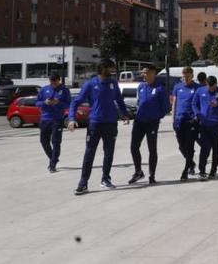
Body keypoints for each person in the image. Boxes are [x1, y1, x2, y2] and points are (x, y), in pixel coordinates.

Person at [69, 58, 129, 195]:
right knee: (89, 153)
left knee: (109, 152)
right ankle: (83, 183)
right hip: (95, 124)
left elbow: (119, 100)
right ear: (102, 68)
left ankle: (105, 179)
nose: (112, 71)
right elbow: (75, 102)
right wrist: (71, 118)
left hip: (111, 124)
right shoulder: (90, 84)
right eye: (110, 68)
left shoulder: (113, 83)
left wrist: (124, 114)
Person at [128, 64, 170, 185]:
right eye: (142, 72)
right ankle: (138, 172)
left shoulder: (160, 89)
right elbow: (139, 102)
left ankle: (152, 174)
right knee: (133, 147)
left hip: (152, 123)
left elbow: (166, 107)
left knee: (152, 149)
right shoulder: (141, 86)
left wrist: (156, 116)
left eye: (145, 72)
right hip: (139, 122)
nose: (143, 75)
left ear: (153, 73)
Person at [194, 76, 218, 180]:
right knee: (205, 148)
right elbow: (194, 104)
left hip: (216, 125)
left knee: (216, 149)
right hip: (204, 125)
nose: (212, 90)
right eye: (210, 88)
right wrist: (198, 114)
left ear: (216, 84)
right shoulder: (200, 91)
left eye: (213, 87)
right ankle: (202, 171)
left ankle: (213, 170)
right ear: (206, 84)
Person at [36, 72, 70, 173]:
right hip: (45, 119)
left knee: (56, 142)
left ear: (59, 80)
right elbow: (37, 102)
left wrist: (58, 102)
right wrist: (44, 103)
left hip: (57, 119)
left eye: (55, 81)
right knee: (43, 141)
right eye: (51, 81)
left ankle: (52, 165)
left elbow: (68, 104)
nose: (53, 83)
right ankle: (53, 158)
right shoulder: (44, 89)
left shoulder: (64, 90)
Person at [172, 66, 200, 180]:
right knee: (181, 146)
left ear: (192, 76)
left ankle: (187, 169)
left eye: (187, 76)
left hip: (191, 121)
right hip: (179, 120)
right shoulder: (177, 87)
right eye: (183, 76)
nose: (185, 79)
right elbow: (174, 103)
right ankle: (191, 163)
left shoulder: (197, 88)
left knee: (189, 146)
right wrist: (173, 119)